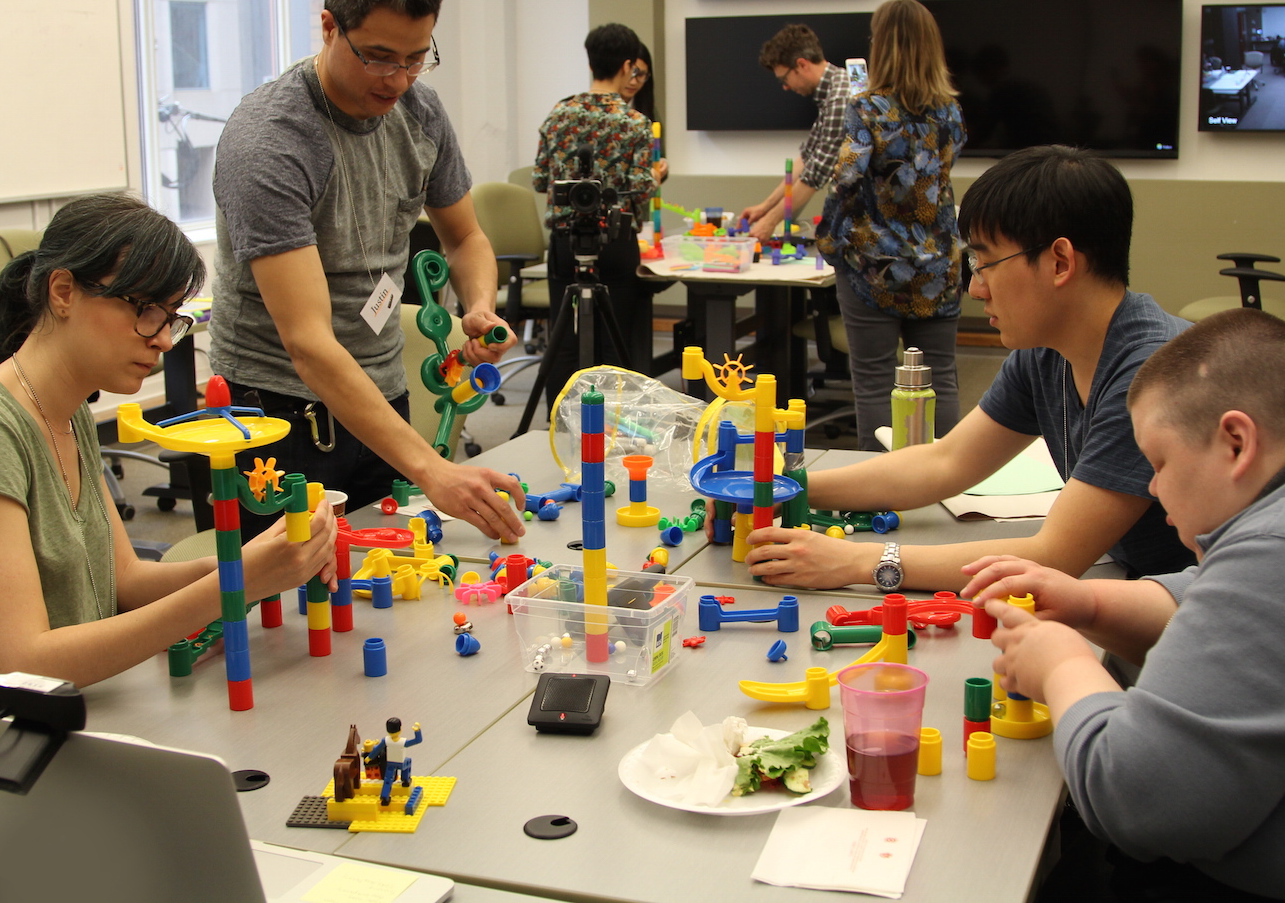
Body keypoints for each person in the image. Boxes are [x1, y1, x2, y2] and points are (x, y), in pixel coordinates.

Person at [745, 145, 1195, 593]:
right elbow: (946, 461)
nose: (975, 288)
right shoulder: (1048, 352)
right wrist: (782, 485)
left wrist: (859, 562)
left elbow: (1055, 557)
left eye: (985, 262)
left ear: (1060, 262)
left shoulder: (1152, 374)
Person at [964, 308, 1285, 902]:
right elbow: (1204, 598)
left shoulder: (1271, 548)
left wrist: (1062, 665)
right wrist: (1088, 604)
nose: (1154, 486)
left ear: (1237, 442)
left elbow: (1139, 799)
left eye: (1159, 463)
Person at [211, 0, 526, 542]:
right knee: (286, 609)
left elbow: (466, 237)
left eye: (416, 58)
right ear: (330, 27)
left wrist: (478, 306)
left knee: (391, 584)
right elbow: (308, 342)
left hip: (382, 393)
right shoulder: (270, 139)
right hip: (279, 411)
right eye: (379, 58)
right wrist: (430, 467)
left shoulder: (420, 113)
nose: (399, 81)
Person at [0, 194, 338, 688]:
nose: (162, 339)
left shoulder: (68, 413)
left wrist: (254, 563)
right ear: (64, 291)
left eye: (171, 316)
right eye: (145, 310)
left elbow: (127, 583)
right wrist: (237, 583)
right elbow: (23, 664)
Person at [816, 0, 966, 451]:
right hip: (938, 266)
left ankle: (880, 492)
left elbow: (845, 178)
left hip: (874, 268)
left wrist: (828, 240)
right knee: (941, 378)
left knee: (875, 381)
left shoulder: (868, 109)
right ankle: (946, 483)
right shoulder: (951, 113)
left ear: (881, 45)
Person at [531, 23, 662, 410]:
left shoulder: (559, 114)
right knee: (615, 338)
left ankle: (558, 422)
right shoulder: (635, 122)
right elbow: (640, 186)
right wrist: (655, 174)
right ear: (627, 64)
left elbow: (541, 179)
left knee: (562, 339)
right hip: (616, 241)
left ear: (591, 63)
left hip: (564, 241)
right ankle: (613, 427)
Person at [738, 24, 849, 245]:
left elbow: (814, 176)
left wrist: (769, 223)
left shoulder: (840, 99)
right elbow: (807, 160)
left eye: (784, 79)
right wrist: (764, 207)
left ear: (801, 65)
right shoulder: (831, 93)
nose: (785, 87)